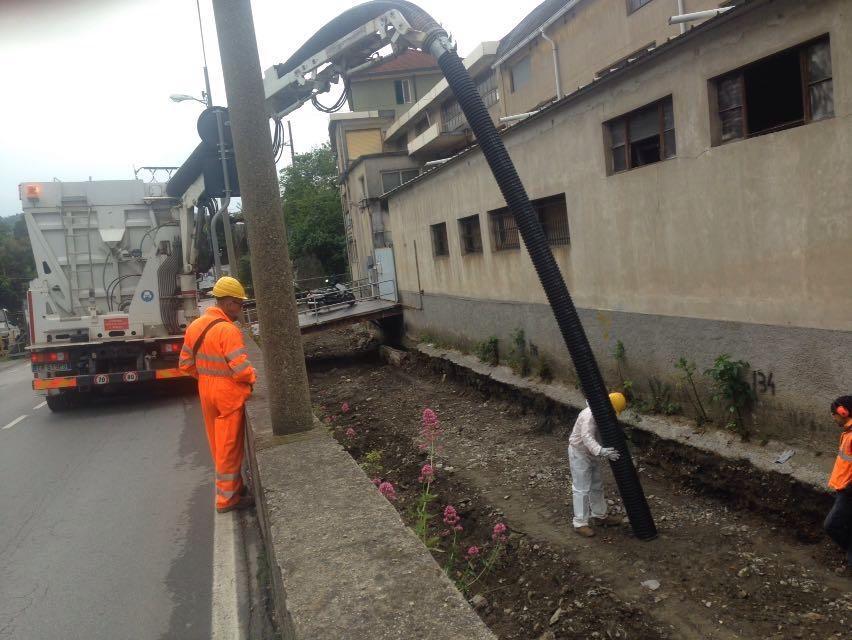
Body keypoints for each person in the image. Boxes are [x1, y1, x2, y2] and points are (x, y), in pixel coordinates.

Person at [180, 276, 257, 514]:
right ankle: (227, 500)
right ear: (228, 303)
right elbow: (242, 370)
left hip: (206, 390)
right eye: (239, 304)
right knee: (229, 447)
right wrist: (252, 378)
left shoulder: (195, 326)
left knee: (217, 445)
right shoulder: (228, 330)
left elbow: (185, 364)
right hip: (227, 394)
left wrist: (207, 377)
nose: (241, 309)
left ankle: (235, 488)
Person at [568, 392, 626, 537]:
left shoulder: (601, 415)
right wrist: (601, 451)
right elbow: (586, 437)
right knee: (581, 488)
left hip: (591, 453)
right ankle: (580, 523)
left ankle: (599, 516)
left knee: (596, 484)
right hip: (579, 452)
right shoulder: (589, 415)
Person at [824, 395, 852, 575]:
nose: (834, 417)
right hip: (844, 488)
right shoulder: (847, 433)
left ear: (844, 412)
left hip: (849, 491)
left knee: (831, 525)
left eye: (834, 414)